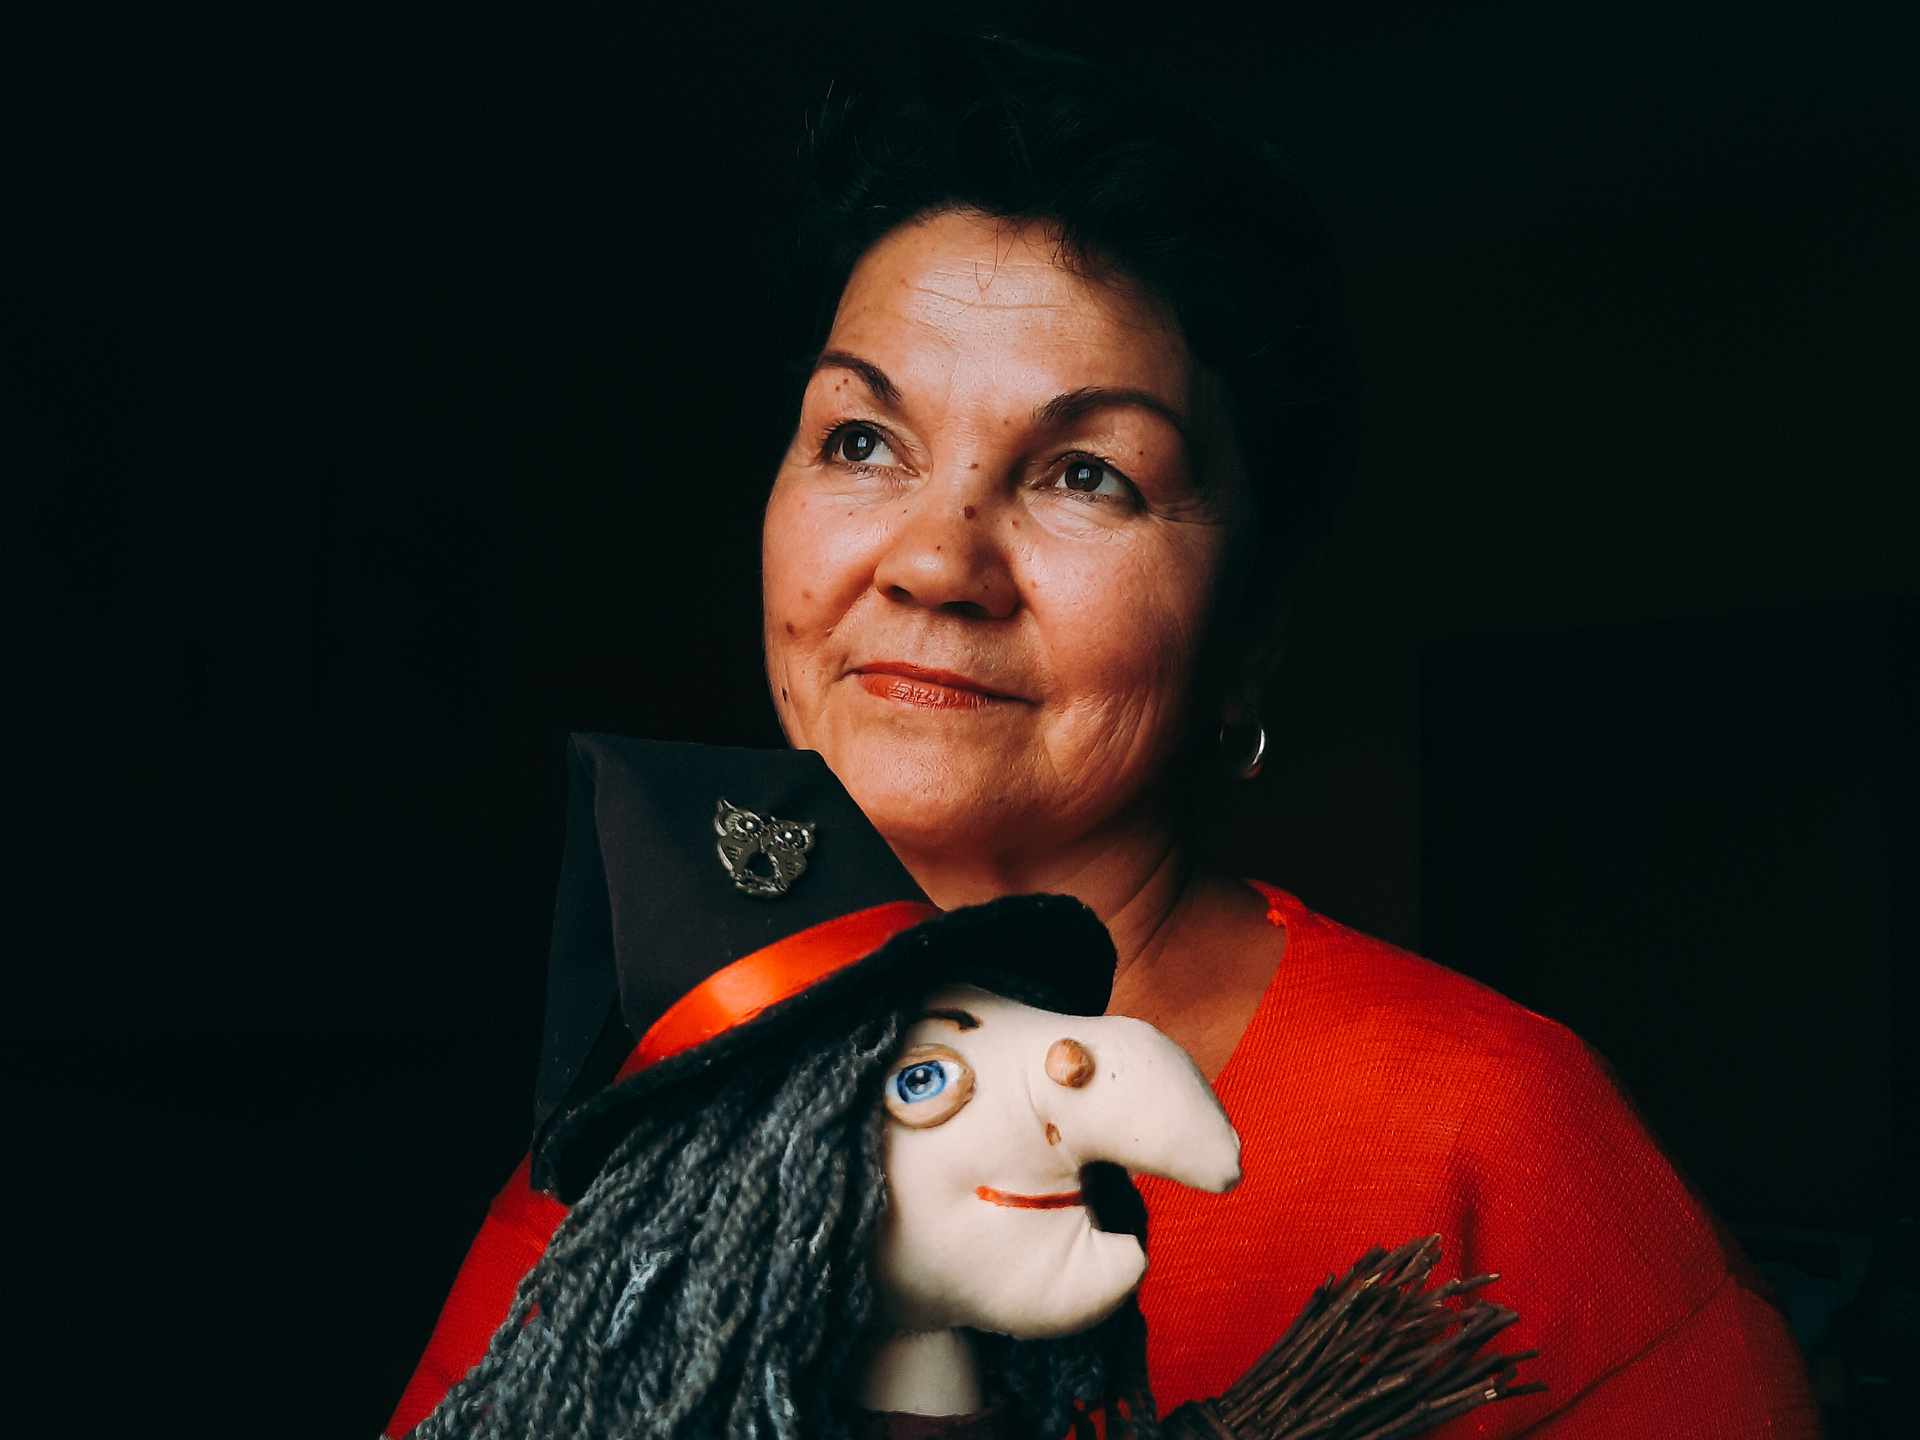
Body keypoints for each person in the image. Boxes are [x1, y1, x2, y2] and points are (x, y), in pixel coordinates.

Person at [393, 30, 1820, 1439]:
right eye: (861, 440)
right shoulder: (659, 1094)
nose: (935, 563)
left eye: (1087, 474)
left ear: (1251, 630)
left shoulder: (1498, 1146)